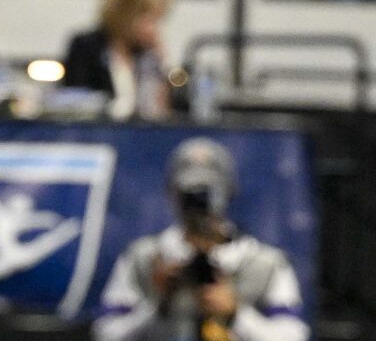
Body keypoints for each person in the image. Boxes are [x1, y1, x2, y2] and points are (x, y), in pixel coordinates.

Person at [95, 138, 307, 341]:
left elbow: (294, 336)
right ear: (171, 194)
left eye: (208, 192)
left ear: (229, 191)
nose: (198, 203)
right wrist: (158, 306)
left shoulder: (263, 263)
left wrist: (236, 314)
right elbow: (106, 334)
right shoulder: (143, 258)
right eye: (188, 193)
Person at [60, 0, 177, 119]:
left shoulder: (147, 55)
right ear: (125, 13)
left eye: (157, 20)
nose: (153, 28)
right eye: (148, 19)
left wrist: (162, 60)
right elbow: (75, 100)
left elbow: (163, 110)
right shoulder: (85, 46)